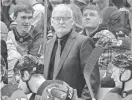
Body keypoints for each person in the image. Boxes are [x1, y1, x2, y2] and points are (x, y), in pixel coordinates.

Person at [44, 4, 100, 100]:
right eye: (57, 18)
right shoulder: (48, 44)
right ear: (52, 21)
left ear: (72, 21)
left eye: (65, 18)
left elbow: (92, 79)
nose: (61, 22)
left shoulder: (86, 41)